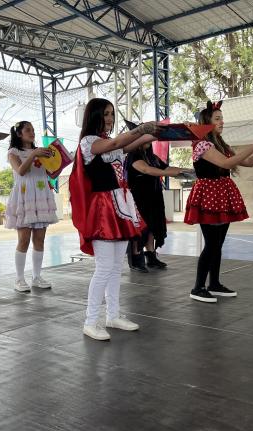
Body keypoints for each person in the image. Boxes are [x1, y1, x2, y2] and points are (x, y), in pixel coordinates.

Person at [70, 97, 159, 341]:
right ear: (94, 116)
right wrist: (142, 128)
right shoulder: (89, 142)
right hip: (102, 209)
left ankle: (113, 315)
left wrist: (163, 131)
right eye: (105, 114)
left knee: (116, 267)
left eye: (111, 113)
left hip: (120, 204)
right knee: (104, 268)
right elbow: (124, 140)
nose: (110, 118)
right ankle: (90, 321)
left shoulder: (110, 143)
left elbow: (136, 141)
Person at [184, 100, 253, 303]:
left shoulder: (222, 145)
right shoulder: (202, 144)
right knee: (212, 243)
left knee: (218, 243)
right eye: (217, 119)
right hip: (209, 194)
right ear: (206, 122)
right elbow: (226, 163)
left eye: (222, 118)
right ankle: (197, 287)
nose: (222, 122)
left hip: (221, 194)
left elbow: (249, 162)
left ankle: (213, 284)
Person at [5, 121, 58, 292]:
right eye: (28, 130)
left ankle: (36, 277)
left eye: (33, 130)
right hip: (24, 195)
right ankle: (19, 279)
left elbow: (51, 172)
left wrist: (57, 160)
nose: (32, 132)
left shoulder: (41, 152)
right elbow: (21, 171)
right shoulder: (13, 152)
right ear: (19, 134)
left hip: (41, 195)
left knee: (39, 239)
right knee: (24, 239)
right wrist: (34, 154)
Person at [125, 133, 184, 272]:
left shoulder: (153, 157)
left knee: (152, 227)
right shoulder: (133, 156)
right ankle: (136, 258)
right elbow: (146, 169)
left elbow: (165, 168)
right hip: (139, 198)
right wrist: (171, 172)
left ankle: (151, 256)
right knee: (140, 229)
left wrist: (184, 171)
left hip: (154, 197)